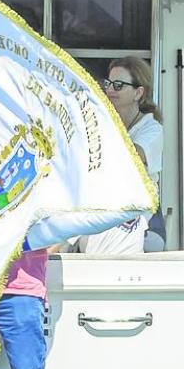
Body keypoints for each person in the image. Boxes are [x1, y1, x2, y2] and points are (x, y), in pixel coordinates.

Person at [77, 57, 164, 254]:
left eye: (118, 85)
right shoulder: (100, 122)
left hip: (137, 217)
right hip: (100, 207)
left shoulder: (152, 128)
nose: (110, 91)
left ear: (138, 93)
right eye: (108, 84)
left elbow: (130, 156)